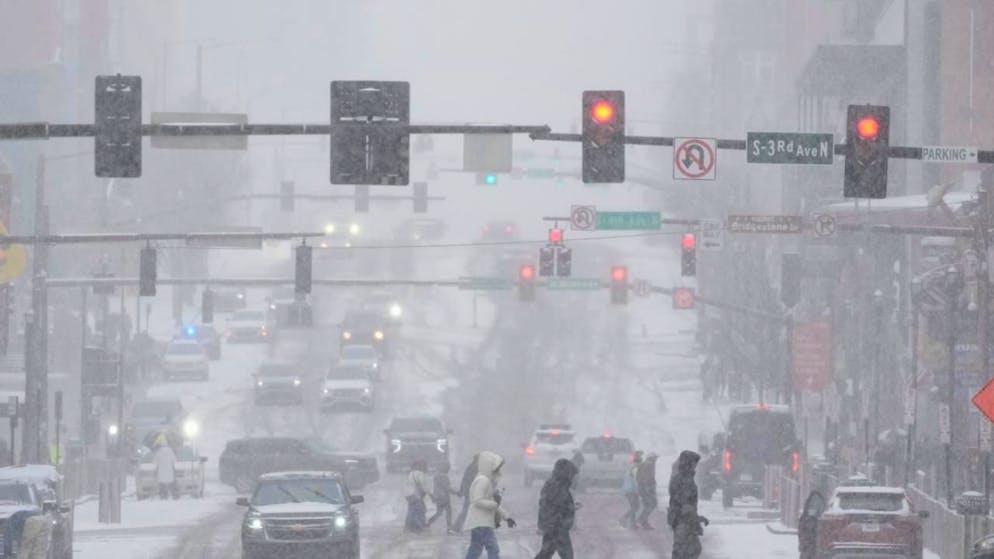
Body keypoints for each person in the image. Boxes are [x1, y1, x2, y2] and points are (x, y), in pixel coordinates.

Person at [464, 450, 516, 559]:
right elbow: (478, 500)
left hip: (478, 522)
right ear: (488, 467)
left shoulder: (483, 479)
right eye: (496, 469)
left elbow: (494, 504)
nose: (498, 472)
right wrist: (494, 503)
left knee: (475, 549)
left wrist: (507, 517)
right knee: (492, 548)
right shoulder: (484, 480)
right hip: (482, 522)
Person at [667, 450, 709, 559]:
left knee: (692, 549)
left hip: (683, 519)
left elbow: (687, 503)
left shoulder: (684, 478)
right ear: (688, 463)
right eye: (694, 463)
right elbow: (684, 504)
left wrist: (696, 519)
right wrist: (695, 520)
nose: (695, 466)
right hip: (682, 521)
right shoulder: (683, 479)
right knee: (684, 551)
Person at [534, 458, 578, 559]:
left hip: (553, 526)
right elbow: (554, 507)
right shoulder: (558, 487)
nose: (573, 479)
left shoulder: (554, 484)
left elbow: (551, 505)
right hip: (557, 527)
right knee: (567, 555)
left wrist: (571, 506)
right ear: (566, 473)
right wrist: (552, 526)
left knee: (546, 553)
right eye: (572, 475)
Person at [428, 462, 459, 533]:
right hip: (444, 497)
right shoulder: (443, 476)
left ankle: (429, 522)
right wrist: (456, 493)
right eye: (448, 468)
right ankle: (449, 527)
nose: (448, 469)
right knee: (448, 512)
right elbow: (447, 488)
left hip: (438, 496)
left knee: (439, 512)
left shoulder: (436, 475)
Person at [454, 454, 479, 533]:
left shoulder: (471, 467)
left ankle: (458, 526)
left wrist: (461, 491)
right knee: (468, 509)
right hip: (472, 492)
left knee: (469, 509)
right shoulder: (475, 468)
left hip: (470, 491)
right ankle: (457, 526)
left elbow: (464, 479)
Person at [619, 451, 644, 528]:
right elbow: (636, 481)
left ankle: (632, 523)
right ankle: (624, 518)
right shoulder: (635, 469)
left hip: (628, 490)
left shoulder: (631, 467)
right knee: (636, 506)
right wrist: (638, 491)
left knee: (634, 506)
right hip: (631, 490)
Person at [405, 459, 429, 533]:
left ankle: (408, 526)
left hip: (409, 494)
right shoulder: (420, 474)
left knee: (411, 510)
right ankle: (418, 526)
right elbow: (423, 486)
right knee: (420, 510)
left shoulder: (411, 473)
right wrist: (431, 495)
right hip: (416, 495)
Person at [636, 452, 659, 529]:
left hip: (644, 487)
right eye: (655, 458)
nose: (656, 459)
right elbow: (645, 477)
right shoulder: (648, 465)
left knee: (648, 505)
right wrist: (647, 488)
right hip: (646, 488)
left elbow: (640, 476)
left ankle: (644, 521)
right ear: (651, 458)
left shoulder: (646, 464)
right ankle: (642, 519)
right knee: (652, 504)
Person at [152, 434, 178, 499]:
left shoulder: (158, 452)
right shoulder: (171, 451)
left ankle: (163, 495)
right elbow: (174, 461)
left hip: (161, 471)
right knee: (171, 482)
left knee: (162, 484)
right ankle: (174, 495)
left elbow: (154, 462)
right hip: (169, 471)